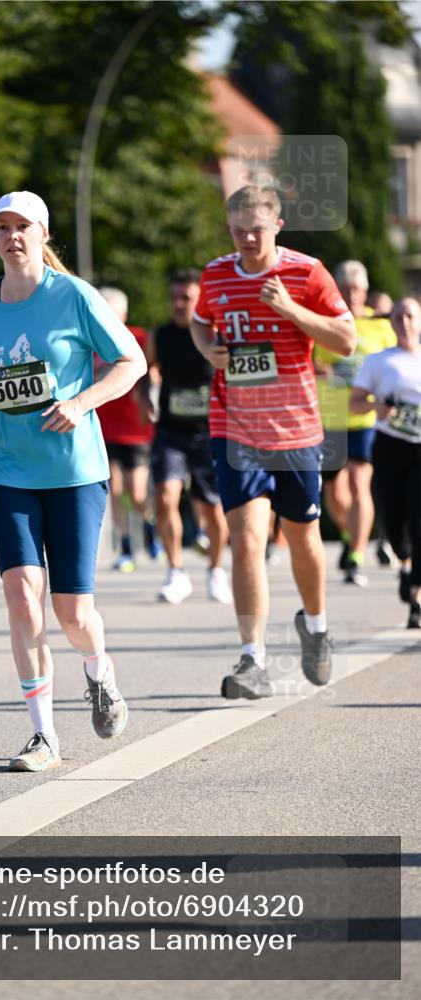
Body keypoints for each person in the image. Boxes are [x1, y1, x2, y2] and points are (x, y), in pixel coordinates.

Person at [0, 191, 146, 772]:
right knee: (21, 594)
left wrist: (81, 403)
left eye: (22, 226)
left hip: (75, 471)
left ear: (43, 233)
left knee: (73, 612)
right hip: (7, 469)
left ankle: (99, 668)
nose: (11, 237)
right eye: (1, 228)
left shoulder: (75, 296)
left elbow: (131, 363)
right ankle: (43, 736)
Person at [190, 185, 356, 698]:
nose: (245, 239)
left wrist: (291, 310)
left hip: (295, 430)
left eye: (255, 231)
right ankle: (252, 659)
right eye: (237, 230)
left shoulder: (306, 273)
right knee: (245, 539)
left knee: (303, 534)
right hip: (234, 424)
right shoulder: (217, 274)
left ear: (277, 226)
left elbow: (345, 340)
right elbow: (200, 321)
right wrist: (210, 351)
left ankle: (318, 625)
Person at [149, 270, 232, 605]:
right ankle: (176, 572)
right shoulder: (161, 335)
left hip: (209, 433)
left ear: (201, 301)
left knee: (212, 509)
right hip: (170, 431)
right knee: (166, 496)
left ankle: (215, 571)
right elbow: (146, 368)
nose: (179, 304)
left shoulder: (214, 335)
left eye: (186, 298)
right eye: (174, 298)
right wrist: (145, 399)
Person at [314, 261, 396, 585]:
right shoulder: (325, 325)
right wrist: (316, 370)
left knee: (361, 483)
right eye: (344, 290)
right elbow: (309, 359)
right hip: (330, 417)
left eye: (356, 290)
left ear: (365, 292)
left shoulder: (380, 328)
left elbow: (397, 364)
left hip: (366, 417)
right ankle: (351, 532)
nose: (350, 296)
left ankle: (356, 557)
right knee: (334, 493)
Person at [351, 297, 421, 628]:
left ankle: (417, 600)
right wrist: (376, 406)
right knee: (394, 520)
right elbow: (355, 403)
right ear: (391, 322)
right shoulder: (378, 362)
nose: (405, 321)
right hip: (390, 447)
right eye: (399, 316)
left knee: (419, 519)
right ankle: (404, 564)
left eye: (410, 315)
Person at [95, 286, 160, 572]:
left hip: (135, 429)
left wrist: (150, 396)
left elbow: (153, 371)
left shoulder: (140, 338)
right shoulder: (90, 339)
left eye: (110, 309)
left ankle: (149, 524)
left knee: (136, 491)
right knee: (114, 488)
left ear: (123, 313)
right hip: (102, 424)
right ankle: (124, 546)